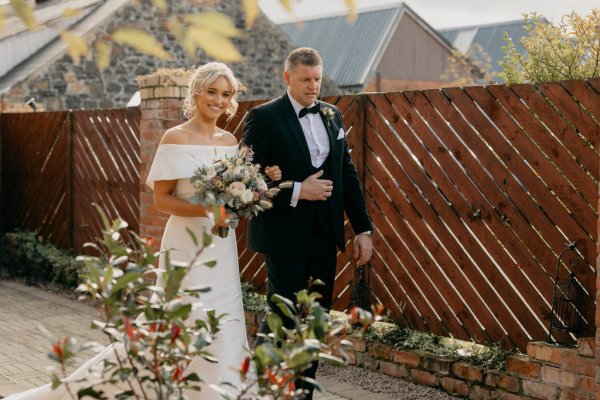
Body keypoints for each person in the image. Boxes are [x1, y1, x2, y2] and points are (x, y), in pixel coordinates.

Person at [5, 62, 280, 400]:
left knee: (225, 317)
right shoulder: (174, 136)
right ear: (197, 93)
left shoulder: (229, 140)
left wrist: (248, 194)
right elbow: (162, 200)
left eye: (225, 94)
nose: (218, 100)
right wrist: (209, 209)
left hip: (219, 245)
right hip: (184, 242)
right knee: (179, 315)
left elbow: (233, 193)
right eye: (212, 91)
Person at [242, 47, 373, 399]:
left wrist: (362, 228)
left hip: (323, 236)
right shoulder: (262, 117)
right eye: (305, 80)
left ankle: (302, 394)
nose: (313, 86)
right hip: (282, 236)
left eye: (317, 79)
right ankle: (269, 387)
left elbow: (347, 175)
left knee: (315, 317)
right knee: (284, 317)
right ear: (287, 78)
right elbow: (247, 180)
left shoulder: (332, 115)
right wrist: (299, 189)